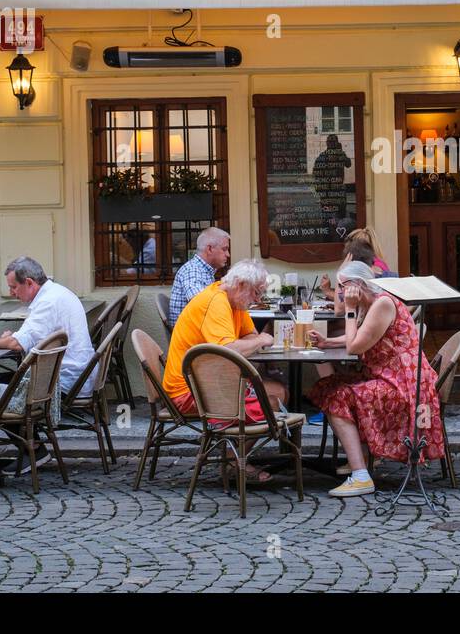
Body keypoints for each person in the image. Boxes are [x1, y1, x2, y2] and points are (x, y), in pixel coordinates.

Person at [309, 261, 445, 497]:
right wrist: (327, 342)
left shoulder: (382, 303)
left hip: (404, 386)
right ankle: (360, 461)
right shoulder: (371, 302)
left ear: (358, 285)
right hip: (389, 376)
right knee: (329, 387)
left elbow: (354, 346)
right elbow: (361, 336)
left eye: (342, 286)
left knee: (338, 396)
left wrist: (350, 309)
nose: (339, 292)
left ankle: (361, 475)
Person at [163, 258, 281, 413]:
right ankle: (232, 436)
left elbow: (251, 335)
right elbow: (229, 350)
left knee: (279, 392)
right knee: (272, 402)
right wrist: (261, 340)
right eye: (256, 292)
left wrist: (251, 342)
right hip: (189, 391)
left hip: (211, 382)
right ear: (240, 284)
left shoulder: (236, 301)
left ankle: (235, 436)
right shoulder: (216, 302)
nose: (258, 300)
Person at [0, 257, 96, 395]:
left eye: (14, 287)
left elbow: (17, 344)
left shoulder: (47, 302)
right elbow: (32, 335)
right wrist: (12, 339)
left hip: (64, 382)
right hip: (77, 376)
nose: (11, 293)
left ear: (29, 282)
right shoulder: (56, 292)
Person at [168, 227, 230, 323]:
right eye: (224, 249)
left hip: (200, 328)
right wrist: (226, 287)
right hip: (192, 335)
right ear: (209, 249)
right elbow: (201, 303)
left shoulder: (203, 269)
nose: (228, 254)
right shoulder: (193, 270)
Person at [312, 134, 352, 221]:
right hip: (336, 191)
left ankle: (327, 231)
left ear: (327, 143)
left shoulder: (322, 156)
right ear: (337, 143)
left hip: (327, 191)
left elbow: (315, 174)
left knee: (327, 216)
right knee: (339, 216)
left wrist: (319, 189)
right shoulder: (340, 155)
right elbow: (348, 164)